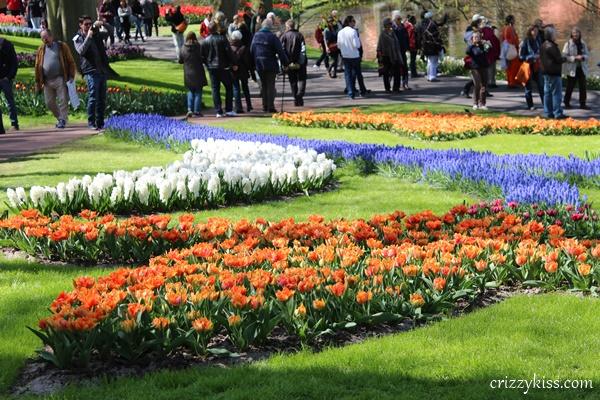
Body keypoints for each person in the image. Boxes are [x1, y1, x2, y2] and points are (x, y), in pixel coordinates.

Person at [74, 15, 111, 130]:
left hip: (101, 69)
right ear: (80, 25)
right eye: (86, 24)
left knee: (102, 98)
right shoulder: (78, 37)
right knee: (93, 97)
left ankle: (100, 122)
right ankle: (91, 122)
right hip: (90, 71)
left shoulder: (96, 34)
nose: (89, 26)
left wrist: (103, 24)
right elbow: (81, 51)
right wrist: (88, 37)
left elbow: (110, 32)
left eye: (90, 24)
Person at [34, 29, 76, 129]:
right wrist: (37, 82)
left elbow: (71, 61)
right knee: (49, 103)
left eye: (46, 37)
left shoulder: (62, 46)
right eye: (42, 38)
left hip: (60, 78)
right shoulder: (41, 49)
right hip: (47, 81)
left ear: (51, 36)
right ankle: (60, 118)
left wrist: (71, 76)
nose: (44, 40)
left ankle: (62, 120)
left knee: (63, 100)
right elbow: (37, 66)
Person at [250, 19, 288, 112]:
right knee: (270, 85)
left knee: (264, 85)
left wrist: (253, 64)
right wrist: (286, 63)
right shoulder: (272, 37)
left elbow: (252, 50)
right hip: (270, 64)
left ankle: (265, 105)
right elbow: (280, 51)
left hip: (259, 64)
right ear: (270, 27)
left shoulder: (256, 36)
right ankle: (270, 106)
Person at [201, 21, 235, 118]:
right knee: (229, 87)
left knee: (215, 89)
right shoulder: (222, 39)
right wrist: (233, 63)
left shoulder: (205, 41)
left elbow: (202, 56)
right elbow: (229, 52)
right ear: (216, 28)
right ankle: (228, 109)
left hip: (212, 68)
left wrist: (207, 65)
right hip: (223, 67)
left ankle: (218, 111)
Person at [540, 27, 566, 119]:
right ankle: (557, 113)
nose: (556, 35)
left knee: (547, 93)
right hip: (553, 72)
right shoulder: (551, 46)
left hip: (546, 73)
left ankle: (548, 112)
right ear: (551, 35)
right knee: (556, 93)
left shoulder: (543, 45)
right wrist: (568, 58)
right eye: (555, 33)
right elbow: (558, 59)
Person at [179, 31, 207, 118]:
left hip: (188, 72)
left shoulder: (183, 47)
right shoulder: (198, 47)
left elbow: (180, 60)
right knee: (198, 91)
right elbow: (204, 58)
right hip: (198, 71)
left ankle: (189, 109)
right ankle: (197, 111)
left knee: (190, 91)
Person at [280, 19, 307, 107]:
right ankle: (299, 96)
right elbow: (303, 50)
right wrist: (301, 61)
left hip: (289, 62)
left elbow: (282, 51)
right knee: (302, 80)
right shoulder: (299, 35)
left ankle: (296, 97)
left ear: (287, 26)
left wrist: (285, 63)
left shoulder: (284, 36)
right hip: (300, 62)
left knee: (293, 81)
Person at [337, 15, 365, 99]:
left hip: (345, 56)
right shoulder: (353, 32)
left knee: (348, 75)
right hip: (354, 55)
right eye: (353, 21)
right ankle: (362, 90)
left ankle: (350, 92)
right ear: (349, 22)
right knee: (358, 74)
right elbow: (357, 45)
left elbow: (339, 45)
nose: (354, 23)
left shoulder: (340, 32)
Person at [562, 27, 589, 110]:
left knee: (583, 86)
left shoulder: (583, 43)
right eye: (574, 33)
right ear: (572, 34)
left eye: (577, 33)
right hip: (572, 69)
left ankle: (583, 103)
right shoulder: (568, 44)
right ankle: (566, 103)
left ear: (580, 34)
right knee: (570, 86)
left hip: (581, 68)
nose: (576, 34)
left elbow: (587, 55)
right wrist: (574, 58)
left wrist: (583, 57)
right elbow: (564, 57)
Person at [519, 25, 544, 110]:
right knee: (528, 86)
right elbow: (521, 56)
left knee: (541, 85)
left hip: (537, 65)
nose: (535, 32)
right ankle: (530, 105)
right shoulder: (526, 41)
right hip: (528, 66)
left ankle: (545, 104)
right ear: (530, 31)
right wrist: (532, 56)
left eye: (537, 30)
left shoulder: (539, 40)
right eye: (534, 30)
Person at [377, 17, 402, 93]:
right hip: (386, 56)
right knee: (386, 73)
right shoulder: (382, 34)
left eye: (391, 24)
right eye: (389, 24)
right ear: (385, 25)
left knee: (397, 72)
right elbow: (379, 46)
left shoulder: (393, 33)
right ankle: (387, 88)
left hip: (395, 56)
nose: (390, 25)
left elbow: (396, 44)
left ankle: (396, 88)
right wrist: (380, 56)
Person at [230, 30, 253, 113]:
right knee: (245, 88)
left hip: (234, 70)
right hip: (243, 70)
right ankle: (249, 105)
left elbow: (228, 59)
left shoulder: (229, 47)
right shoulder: (244, 48)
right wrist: (250, 70)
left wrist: (232, 66)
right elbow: (248, 61)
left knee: (236, 88)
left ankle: (238, 107)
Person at [466, 31, 489, 110]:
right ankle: (475, 103)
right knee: (477, 85)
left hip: (484, 67)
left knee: (484, 86)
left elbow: (488, 49)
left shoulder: (483, 45)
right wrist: (472, 44)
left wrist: (486, 43)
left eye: (478, 37)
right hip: (475, 68)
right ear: (473, 38)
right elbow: (467, 51)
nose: (476, 38)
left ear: (480, 38)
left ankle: (482, 103)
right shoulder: (471, 47)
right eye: (475, 37)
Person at [0, 35, 18, 134]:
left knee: (10, 101)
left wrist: (8, 77)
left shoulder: (8, 46)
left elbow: (14, 63)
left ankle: (14, 124)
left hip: (6, 78)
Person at [418, 11, 443, 82]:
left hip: (425, 46)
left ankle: (429, 75)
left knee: (429, 61)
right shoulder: (432, 24)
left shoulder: (422, 24)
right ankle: (432, 76)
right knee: (434, 61)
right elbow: (436, 35)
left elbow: (420, 36)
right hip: (432, 46)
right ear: (430, 17)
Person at [501, 15, 521, 88]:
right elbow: (510, 39)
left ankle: (510, 81)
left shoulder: (505, 28)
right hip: (511, 49)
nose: (514, 20)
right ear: (511, 20)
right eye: (513, 19)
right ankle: (511, 82)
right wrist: (516, 44)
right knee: (513, 66)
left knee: (509, 66)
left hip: (507, 49)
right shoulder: (509, 28)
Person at [391, 10, 409, 90]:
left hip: (402, 50)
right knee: (394, 68)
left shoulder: (403, 27)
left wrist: (407, 47)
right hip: (394, 51)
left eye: (400, 18)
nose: (400, 20)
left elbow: (406, 38)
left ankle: (405, 84)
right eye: (398, 19)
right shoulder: (392, 28)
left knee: (404, 67)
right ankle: (392, 85)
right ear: (394, 19)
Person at [481, 17, 500, 88]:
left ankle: (489, 82)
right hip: (493, 52)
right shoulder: (492, 31)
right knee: (492, 68)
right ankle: (492, 82)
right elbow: (497, 42)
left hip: (486, 52)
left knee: (488, 68)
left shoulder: (482, 31)